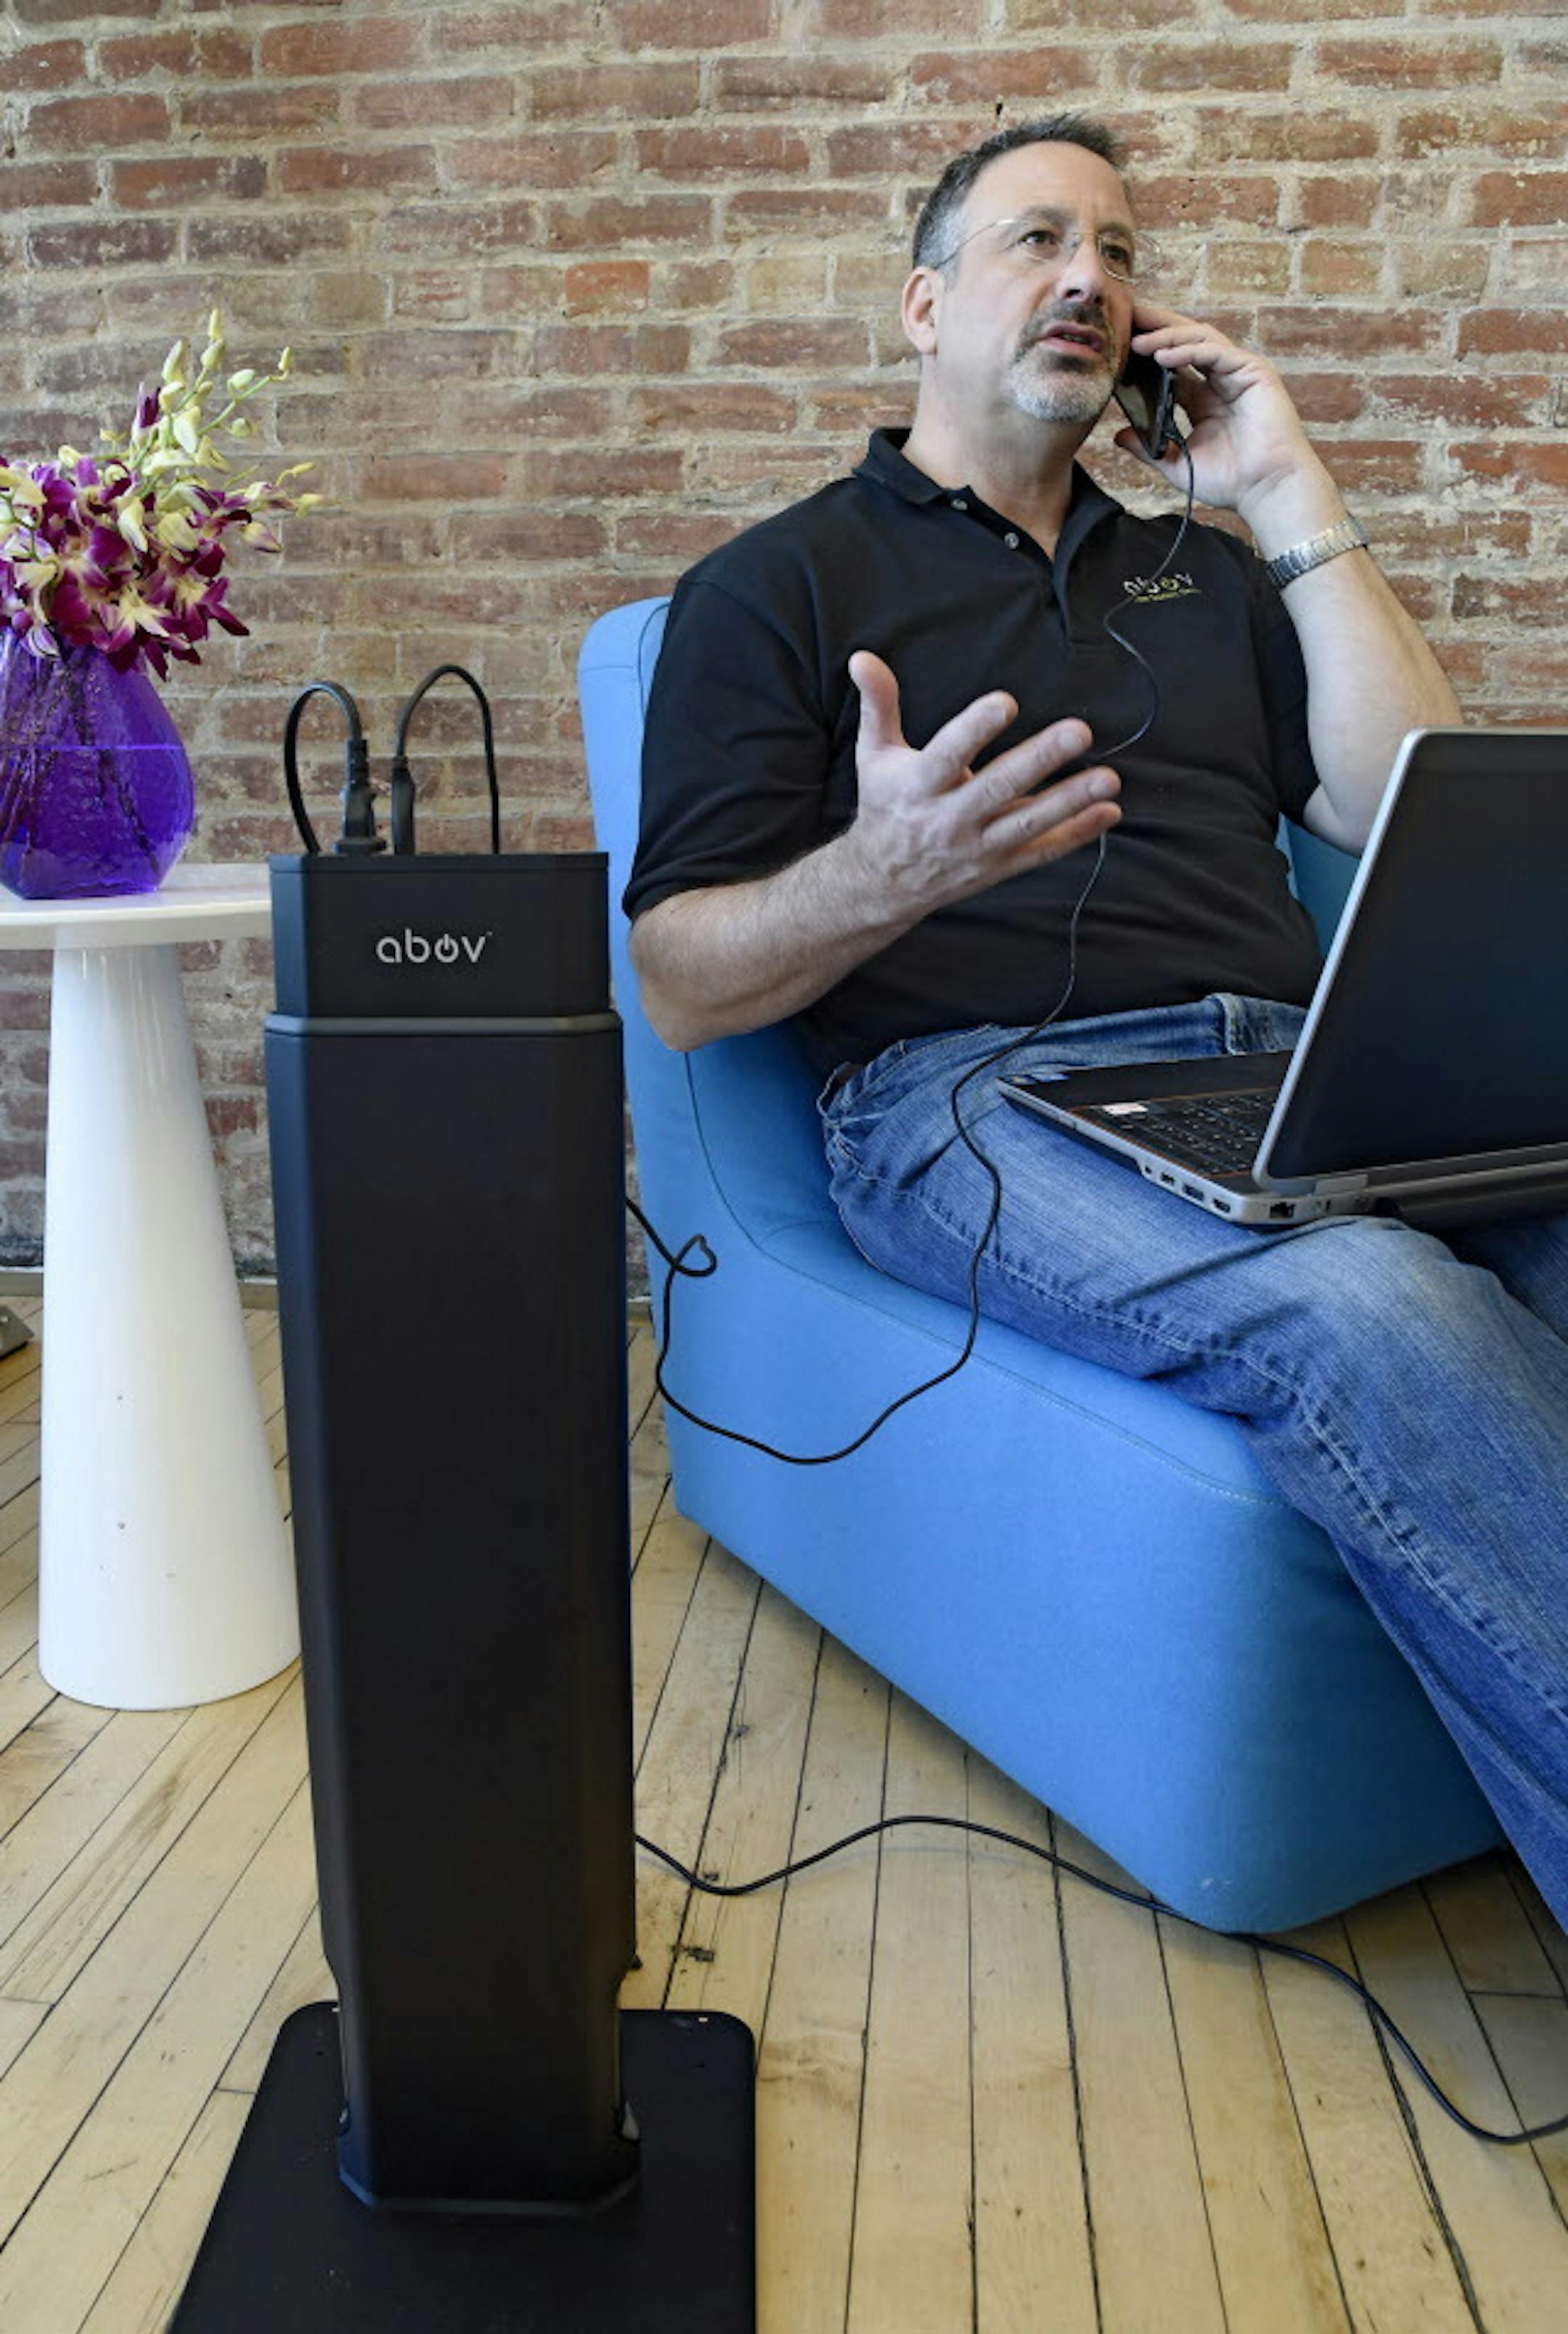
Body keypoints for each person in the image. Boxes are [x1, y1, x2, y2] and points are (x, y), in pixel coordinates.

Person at [623, 114, 1568, 1932]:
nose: (1091, 279)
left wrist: (1287, 502)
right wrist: (880, 876)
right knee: (1362, 1307)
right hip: (969, 1099)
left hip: (1294, 1061)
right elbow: (677, 975)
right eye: (1038, 239)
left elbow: (1396, 801)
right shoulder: (778, 587)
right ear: (924, 302)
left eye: (1121, 254)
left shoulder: (1206, 577)